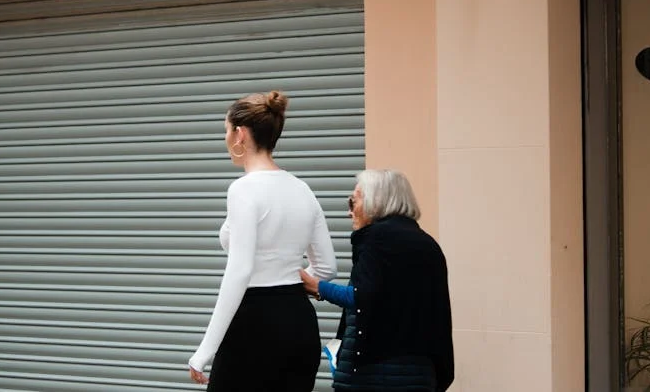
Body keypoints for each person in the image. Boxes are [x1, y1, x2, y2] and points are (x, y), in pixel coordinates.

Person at [188, 90, 338, 392]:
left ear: (240, 134)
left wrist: (205, 350)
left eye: (226, 131)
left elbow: (240, 271)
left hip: (255, 326)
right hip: (300, 324)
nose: (226, 139)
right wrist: (286, 279)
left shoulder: (243, 190)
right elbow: (327, 268)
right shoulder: (303, 190)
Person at [300, 169, 454, 392]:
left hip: (373, 374)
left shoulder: (376, 239)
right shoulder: (428, 245)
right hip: (421, 373)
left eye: (353, 201)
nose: (349, 212)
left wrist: (317, 286)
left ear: (375, 201)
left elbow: (362, 296)